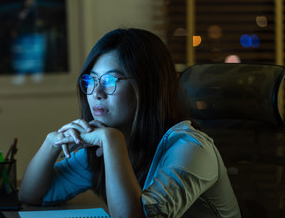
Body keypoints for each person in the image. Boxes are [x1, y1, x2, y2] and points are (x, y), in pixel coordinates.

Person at [18, 28, 241, 218]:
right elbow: (31, 195)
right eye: (91, 80)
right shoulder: (110, 141)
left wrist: (112, 142)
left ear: (148, 87)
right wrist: (52, 142)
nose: (96, 92)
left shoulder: (191, 148)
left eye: (110, 80)